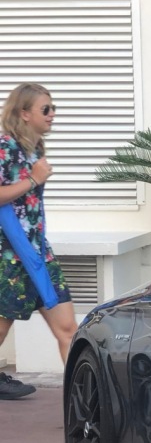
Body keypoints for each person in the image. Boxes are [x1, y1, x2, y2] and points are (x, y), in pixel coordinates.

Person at [0, 83, 77, 399]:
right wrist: (34, 178)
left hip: (37, 252)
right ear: (24, 112)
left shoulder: (36, 149)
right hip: (8, 257)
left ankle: (84, 400)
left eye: (53, 108)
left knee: (69, 329)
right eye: (46, 109)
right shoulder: (5, 148)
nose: (52, 114)